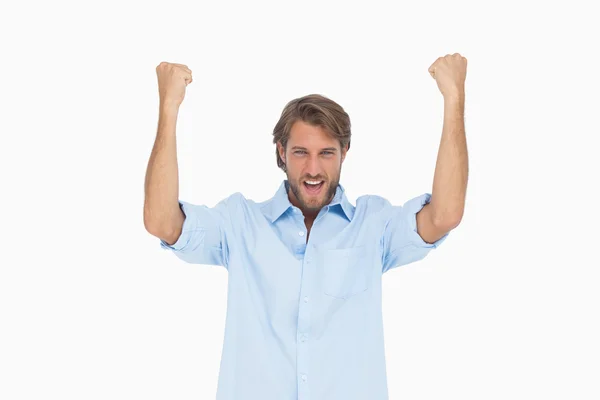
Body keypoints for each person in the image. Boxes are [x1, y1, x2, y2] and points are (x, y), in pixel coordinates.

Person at [144, 54, 468, 400]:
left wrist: (454, 98)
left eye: (326, 153)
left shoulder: (373, 226)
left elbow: (444, 215)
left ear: (345, 152)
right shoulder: (240, 224)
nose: (313, 169)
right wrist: (169, 107)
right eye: (301, 152)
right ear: (281, 153)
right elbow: (161, 221)